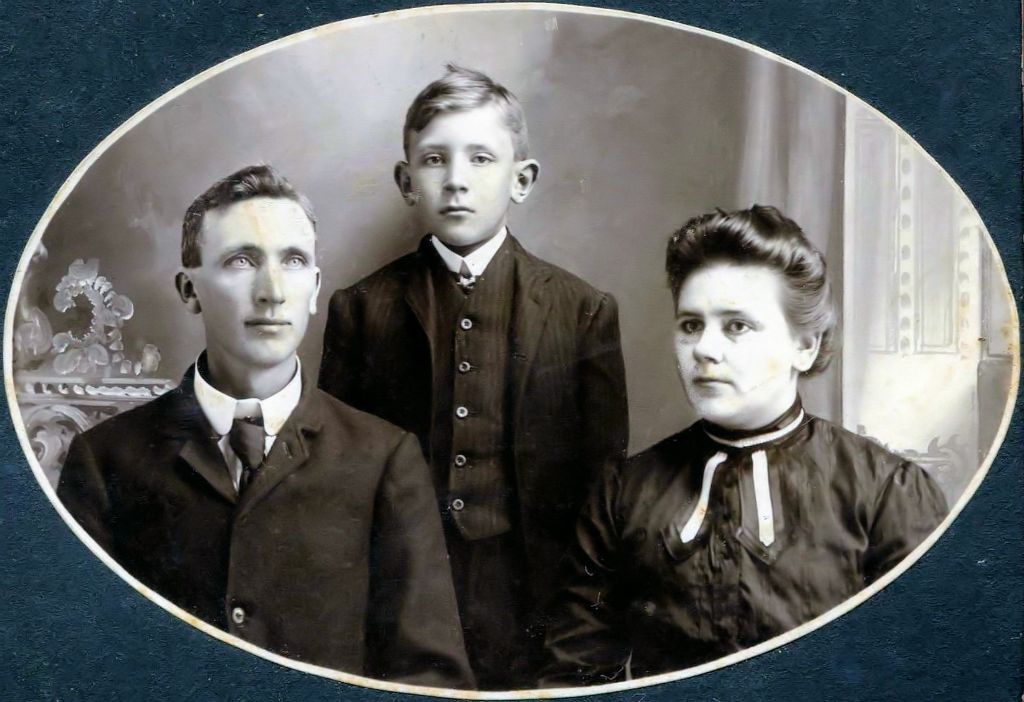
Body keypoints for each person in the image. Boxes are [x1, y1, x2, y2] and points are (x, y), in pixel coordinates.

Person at [57, 165, 473, 688]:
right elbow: (75, 661)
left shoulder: (383, 457)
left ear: (316, 287)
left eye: (294, 261)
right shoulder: (105, 459)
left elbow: (433, 677)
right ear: (190, 290)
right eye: (241, 261)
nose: (272, 291)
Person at [541, 205, 948, 685]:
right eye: (691, 325)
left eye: (737, 326)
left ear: (806, 346)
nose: (706, 350)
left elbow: (927, 672)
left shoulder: (886, 493)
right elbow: (574, 676)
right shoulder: (623, 493)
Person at [318, 65, 628, 689]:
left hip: (537, 602)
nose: (456, 181)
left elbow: (603, 485)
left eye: (481, 159)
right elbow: (336, 479)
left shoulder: (582, 309)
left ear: (522, 179)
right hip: (404, 592)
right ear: (407, 181)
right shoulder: (361, 308)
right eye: (434, 160)